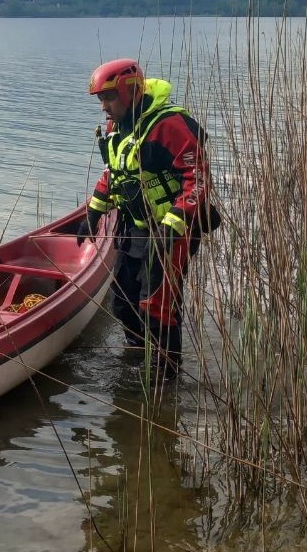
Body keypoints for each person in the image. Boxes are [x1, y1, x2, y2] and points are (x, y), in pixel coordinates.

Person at [77, 58, 219, 380]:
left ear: (130, 92)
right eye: (100, 99)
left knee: (156, 306)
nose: (103, 107)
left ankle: (165, 377)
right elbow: (114, 173)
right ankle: (138, 357)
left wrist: (173, 225)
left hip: (171, 231)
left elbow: (198, 178)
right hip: (134, 228)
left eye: (109, 98)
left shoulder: (168, 125)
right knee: (123, 303)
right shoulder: (116, 127)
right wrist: (94, 212)